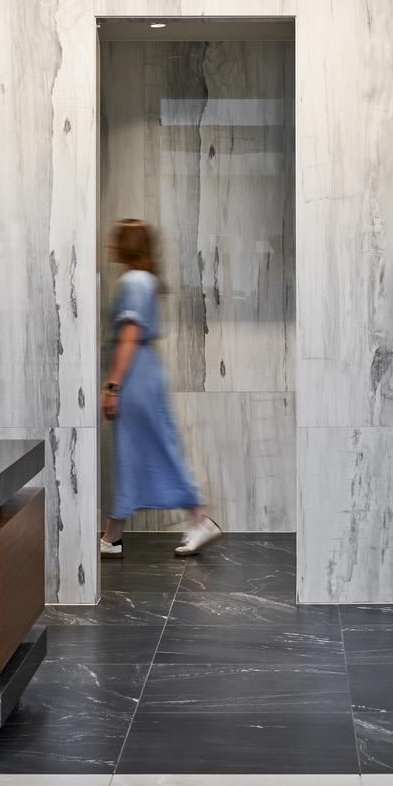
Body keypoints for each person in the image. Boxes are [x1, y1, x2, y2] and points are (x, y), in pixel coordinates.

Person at [100, 219, 221, 558]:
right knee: (135, 451)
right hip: (145, 371)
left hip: (135, 375)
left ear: (127, 245)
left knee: (152, 448)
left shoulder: (134, 281)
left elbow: (130, 336)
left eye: (116, 239)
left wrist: (112, 386)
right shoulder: (146, 280)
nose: (111, 245)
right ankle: (112, 536)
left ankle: (199, 517)